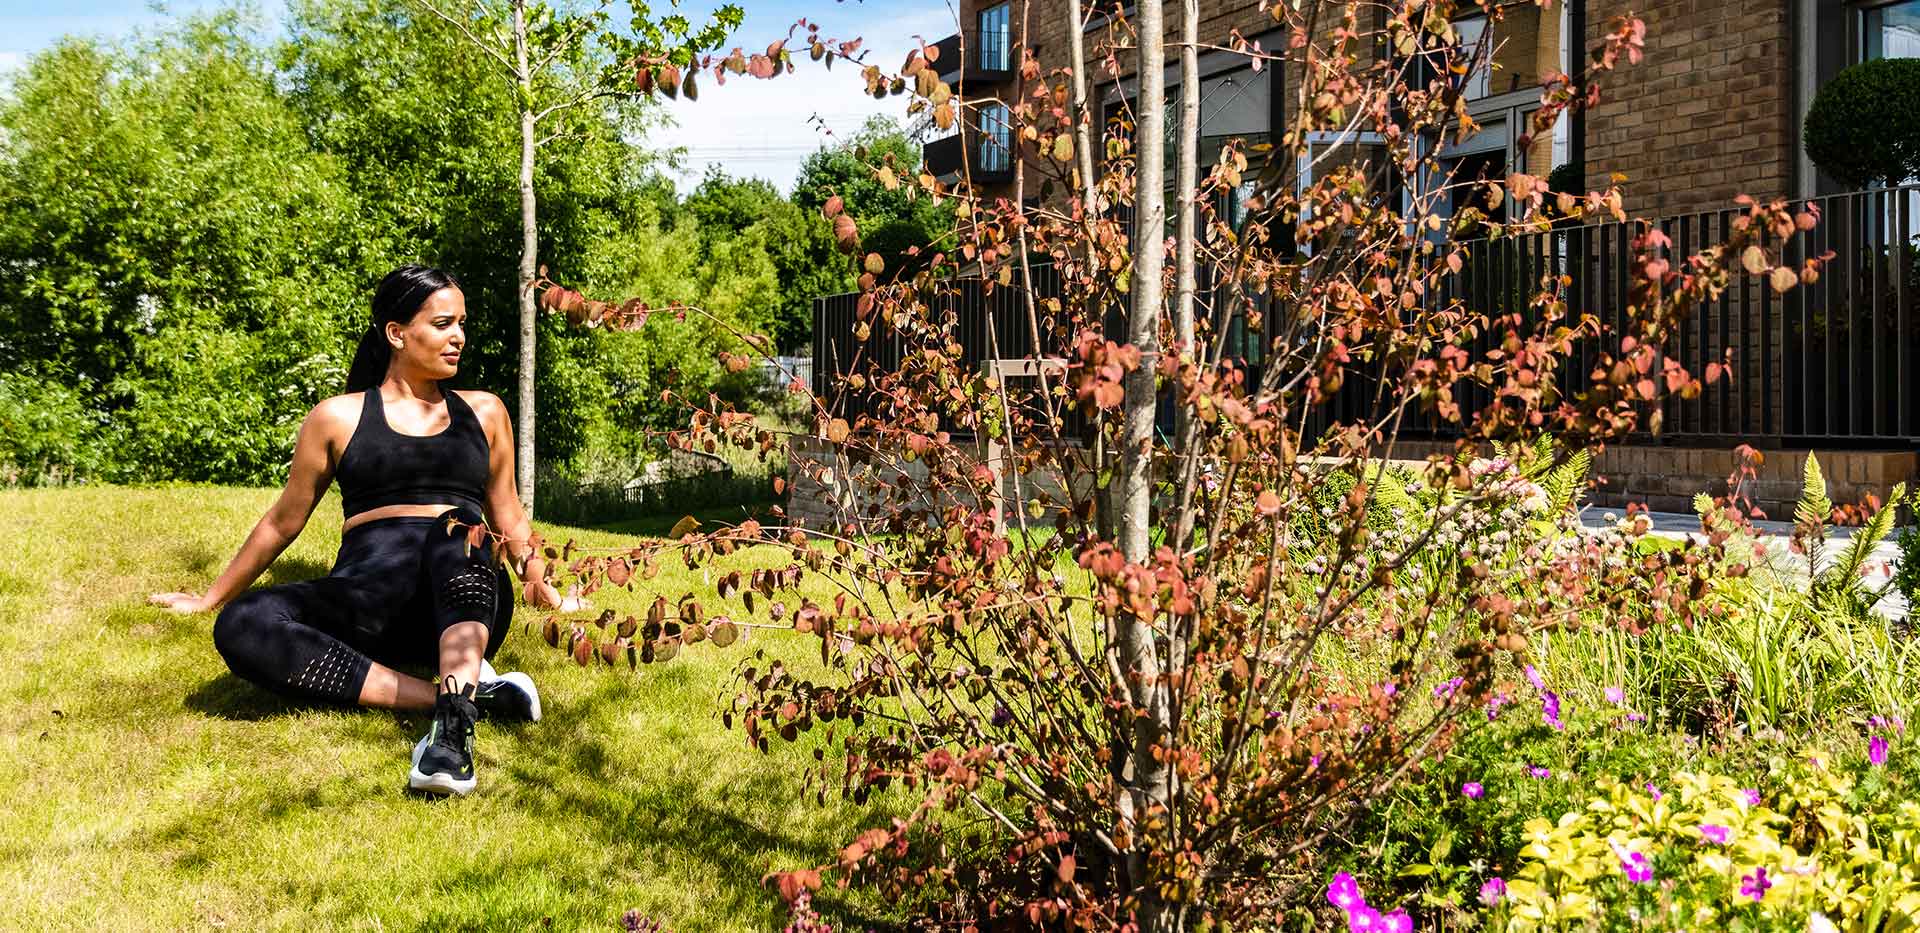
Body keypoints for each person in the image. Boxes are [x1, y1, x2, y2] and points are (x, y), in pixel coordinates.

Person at [150, 264, 562, 797]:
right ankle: (463, 698)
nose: (458, 336)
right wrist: (211, 598)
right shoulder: (338, 417)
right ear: (397, 333)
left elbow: (507, 514)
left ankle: (451, 737)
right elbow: (283, 521)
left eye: (461, 323)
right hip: (368, 603)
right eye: (442, 324)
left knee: (458, 529)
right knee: (244, 623)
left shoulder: (484, 412)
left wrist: (546, 591)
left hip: (462, 596)